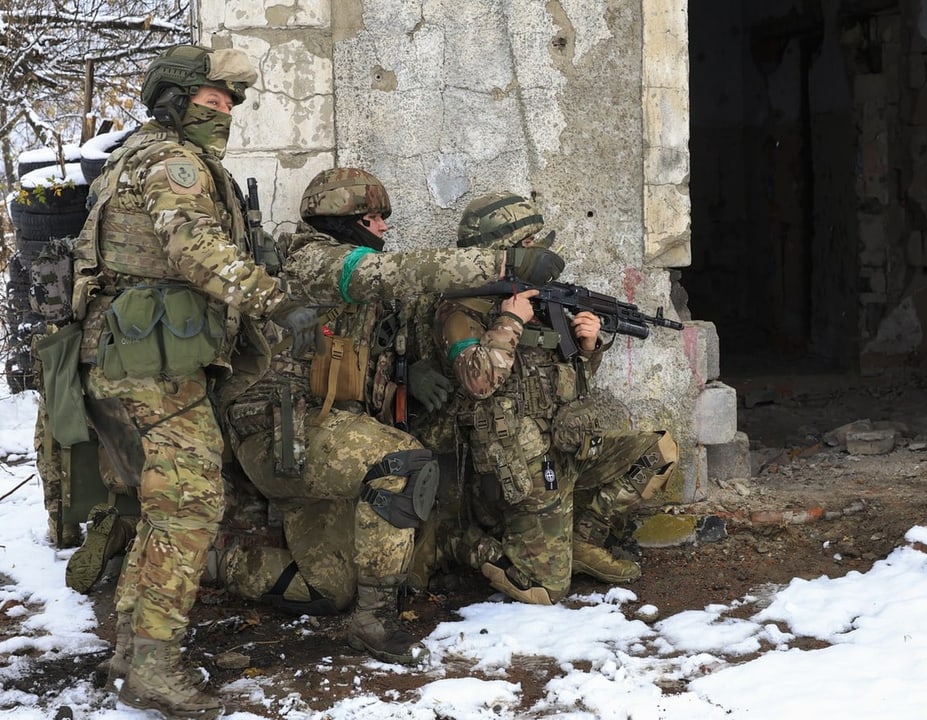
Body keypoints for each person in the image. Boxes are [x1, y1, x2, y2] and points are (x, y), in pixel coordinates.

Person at [213, 167, 565, 665]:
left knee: (332, 588)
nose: (383, 227)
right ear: (343, 221)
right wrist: (506, 262)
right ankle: (373, 621)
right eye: (373, 218)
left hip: (325, 433)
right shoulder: (316, 261)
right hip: (282, 432)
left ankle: (214, 563)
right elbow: (397, 273)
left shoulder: (355, 286)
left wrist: (413, 372)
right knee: (404, 464)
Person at [68, 45, 316, 719]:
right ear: (177, 100)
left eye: (232, 104)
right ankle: (151, 665)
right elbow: (193, 249)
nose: (226, 113)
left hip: (139, 357)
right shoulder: (174, 164)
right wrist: (274, 300)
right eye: (213, 101)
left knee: (167, 506)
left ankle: (132, 650)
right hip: (151, 366)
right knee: (191, 504)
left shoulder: (135, 156)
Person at [433, 191, 684, 605]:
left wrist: (587, 349)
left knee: (659, 451)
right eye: (528, 245)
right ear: (501, 251)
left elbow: (565, 385)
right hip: (517, 467)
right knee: (545, 591)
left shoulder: (541, 299)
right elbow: (478, 382)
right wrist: (511, 319)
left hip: (565, 449)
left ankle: (583, 542)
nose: (540, 254)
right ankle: (458, 541)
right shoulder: (462, 310)